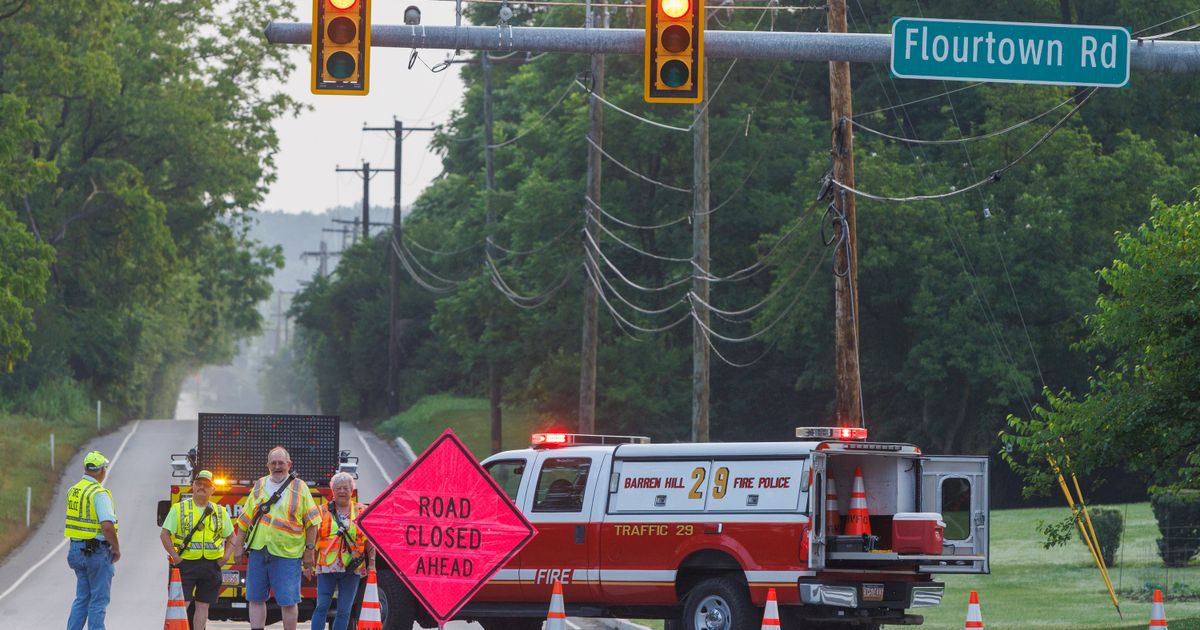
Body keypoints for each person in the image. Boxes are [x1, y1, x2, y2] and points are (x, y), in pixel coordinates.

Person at [228, 447, 320, 630]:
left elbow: (312, 523)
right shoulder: (260, 485)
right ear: (268, 465)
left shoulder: (300, 487)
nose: (277, 466)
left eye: (281, 463)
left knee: (288, 601)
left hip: (287, 554)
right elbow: (245, 519)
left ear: (289, 464)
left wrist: (309, 551)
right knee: (255, 597)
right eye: (273, 463)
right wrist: (238, 547)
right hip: (259, 551)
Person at [158, 470, 235, 630]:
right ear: (192, 486)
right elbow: (164, 534)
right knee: (180, 605)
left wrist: (225, 557)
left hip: (211, 565)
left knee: (203, 607)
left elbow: (232, 537)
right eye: (198, 484)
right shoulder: (179, 509)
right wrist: (176, 558)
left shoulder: (220, 512)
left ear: (213, 489)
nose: (201, 487)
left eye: (206, 485)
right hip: (186, 565)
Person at [312, 472, 376, 630]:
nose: (342, 491)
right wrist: (308, 563)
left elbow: (369, 541)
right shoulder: (321, 511)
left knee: (345, 610)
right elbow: (312, 538)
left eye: (345, 488)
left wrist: (372, 564)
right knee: (321, 607)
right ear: (332, 491)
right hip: (327, 566)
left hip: (352, 568)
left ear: (351, 491)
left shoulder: (362, 511)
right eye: (338, 488)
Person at [65, 450, 121, 630]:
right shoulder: (99, 493)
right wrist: (116, 548)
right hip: (96, 552)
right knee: (99, 600)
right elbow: (106, 525)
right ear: (101, 470)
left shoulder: (73, 490)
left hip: (76, 550)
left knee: (82, 598)